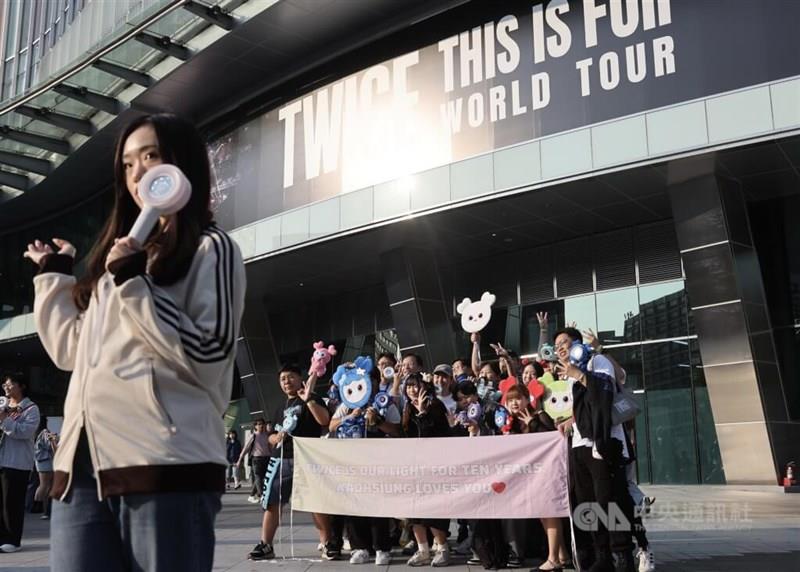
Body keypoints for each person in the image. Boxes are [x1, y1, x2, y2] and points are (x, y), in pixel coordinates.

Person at [24, 113, 246, 572]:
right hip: (81, 471)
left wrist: (136, 284)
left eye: (150, 156)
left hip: (163, 465)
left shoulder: (211, 248)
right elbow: (71, 352)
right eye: (127, 164)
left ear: (180, 163)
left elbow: (210, 354)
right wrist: (53, 278)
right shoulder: (118, 263)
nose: (137, 173)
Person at [554, 327, 635, 572]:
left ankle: (622, 556)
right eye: (556, 345)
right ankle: (602, 556)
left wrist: (580, 375)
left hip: (604, 444)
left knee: (609, 502)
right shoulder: (568, 374)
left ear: (577, 342)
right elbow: (584, 409)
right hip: (580, 444)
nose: (560, 348)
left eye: (564, 342)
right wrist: (570, 421)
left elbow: (605, 392)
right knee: (588, 503)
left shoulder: (596, 361)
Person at [249, 365, 332, 561]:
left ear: (300, 378)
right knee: (272, 502)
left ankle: (327, 543)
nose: (286, 381)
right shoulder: (280, 406)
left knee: (315, 502)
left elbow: (324, 421)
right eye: (283, 379)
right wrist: (275, 438)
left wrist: (308, 400)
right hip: (281, 459)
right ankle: (266, 544)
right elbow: (270, 435)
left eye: (291, 377)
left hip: (308, 458)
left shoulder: (313, 398)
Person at [401, 373, 452, 567]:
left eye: (416, 385)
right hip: (415, 467)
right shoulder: (407, 407)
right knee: (414, 512)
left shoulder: (435, 406)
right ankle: (423, 550)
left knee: (433, 511)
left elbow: (429, 436)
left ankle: (442, 548)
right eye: (409, 386)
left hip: (435, 467)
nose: (412, 390)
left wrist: (422, 412)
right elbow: (406, 435)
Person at [0, 374, 40, 553]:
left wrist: (4, 420)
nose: (6, 387)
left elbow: (25, 432)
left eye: (10, 384)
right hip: (2, 460)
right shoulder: (3, 405)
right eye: (5, 384)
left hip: (16, 462)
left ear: (21, 386)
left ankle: (12, 540)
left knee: (12, 502)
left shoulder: (31, 409)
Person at [237, 419, 272, 502]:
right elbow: (246, 448)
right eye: (259, 424)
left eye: (262, 424)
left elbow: (270, 447)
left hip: (267, 458)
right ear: (255, 426)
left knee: (262, 478)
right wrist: (239, 460)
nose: (261, 425)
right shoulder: (253, 436)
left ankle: (251, 495)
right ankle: (262, 495)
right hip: (257, 459)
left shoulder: (267, 435)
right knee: (258, 477)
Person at [34, 416, 56, 520]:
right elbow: (49, 445)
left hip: (39, 461)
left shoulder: (35, 432)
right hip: (46, 461)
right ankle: (38, 506)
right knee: (45, 485)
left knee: (43, 485)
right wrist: (54, 439)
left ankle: (37, 505)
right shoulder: (45, 432)